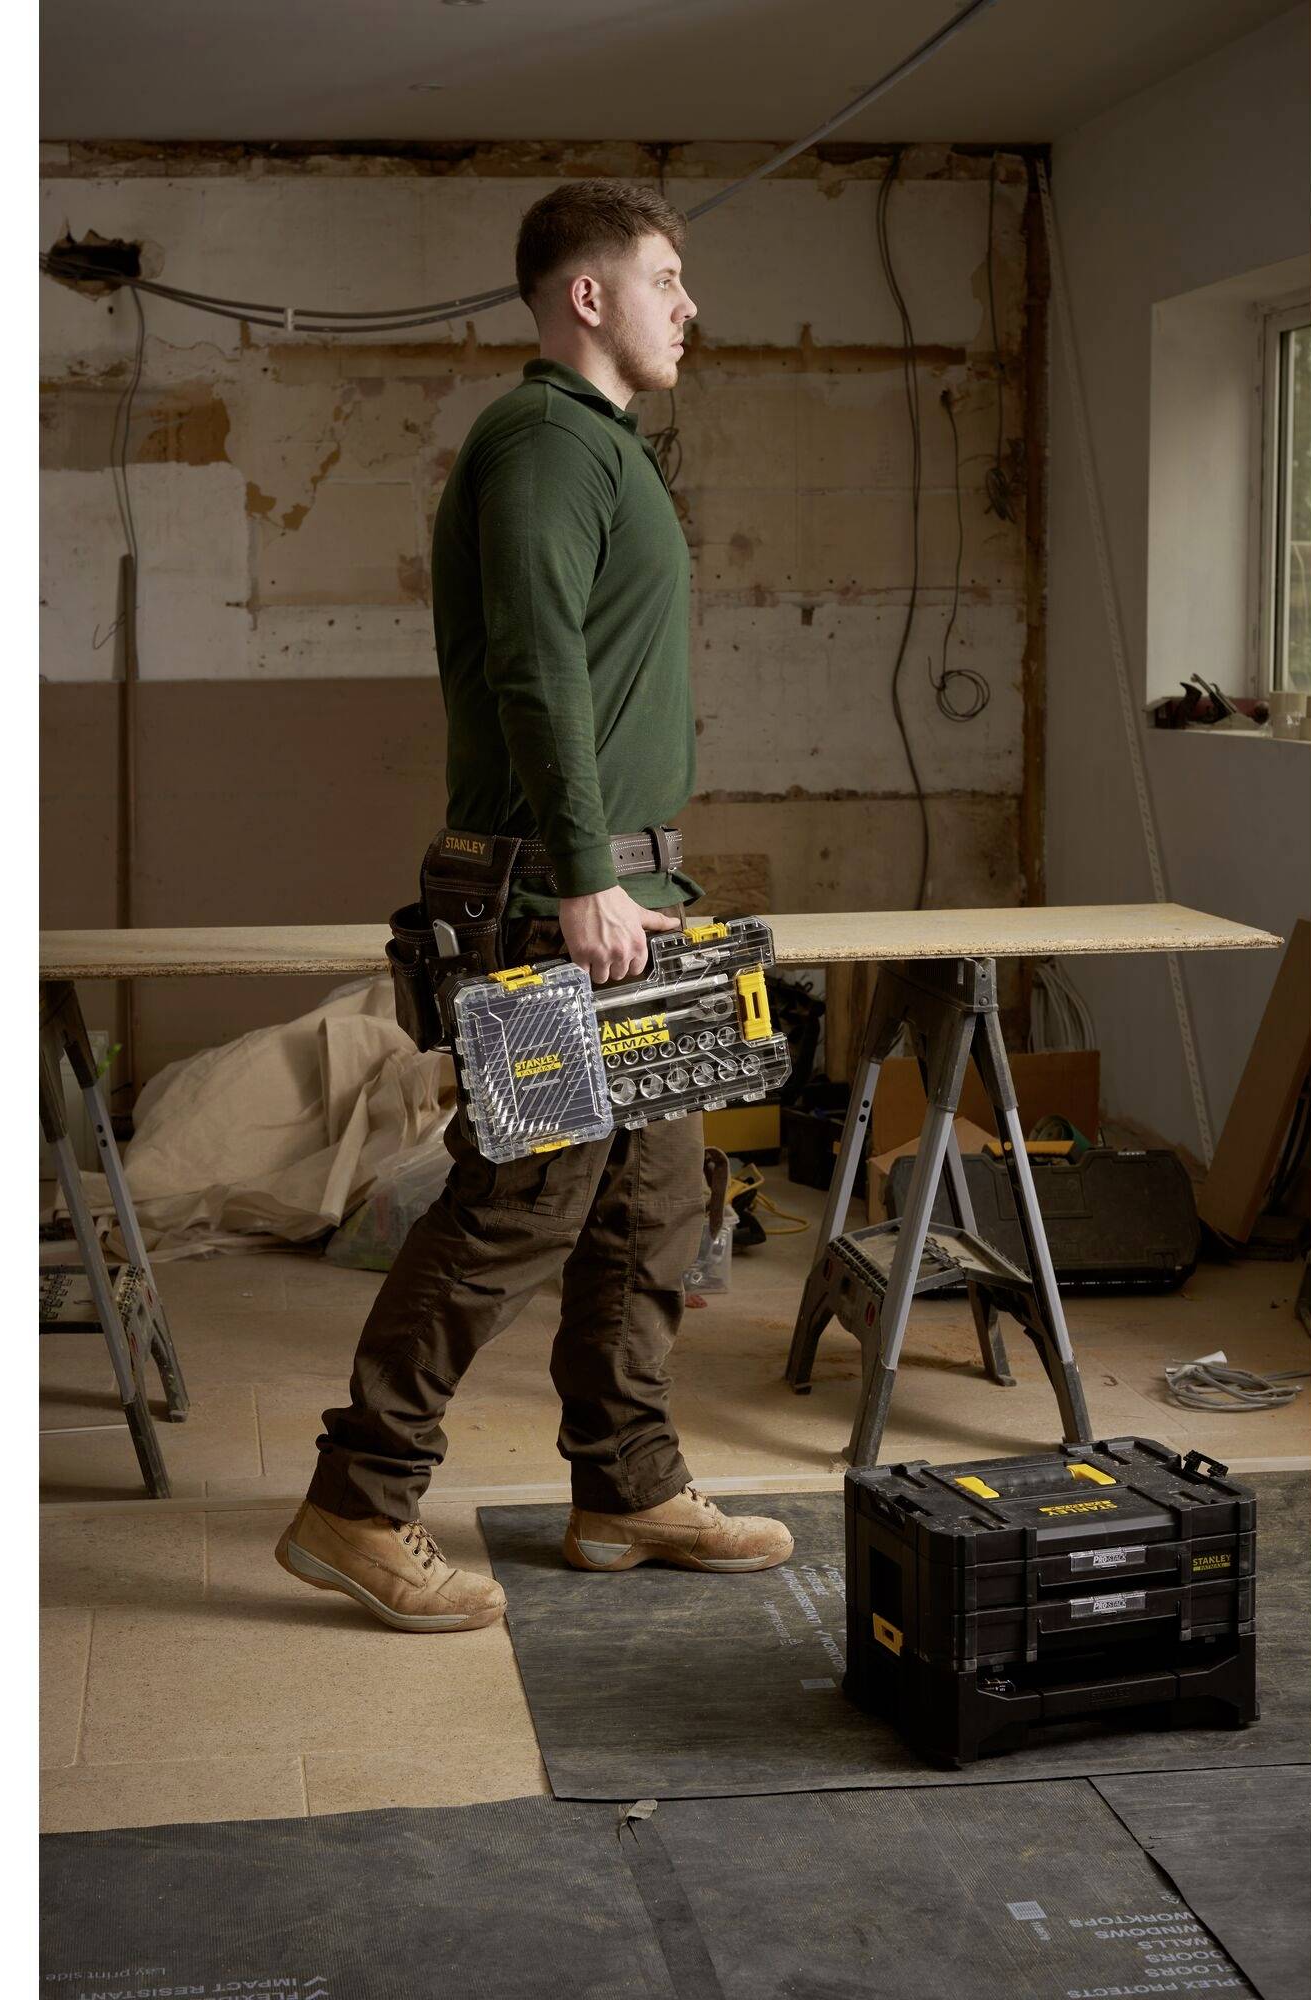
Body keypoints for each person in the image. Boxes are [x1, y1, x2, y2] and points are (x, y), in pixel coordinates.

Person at [275, 179, 794, 1632]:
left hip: (629, 888)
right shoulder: (544, 443)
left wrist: (621, 876)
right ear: (589, 294)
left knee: (655, 1204)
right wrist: (582, 874)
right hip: (560, 891)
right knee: (521, 1205)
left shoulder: (605, 449)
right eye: (667, 279)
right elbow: (537, 666)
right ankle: (357, 1502)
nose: (689, 307)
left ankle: (626, 1486)